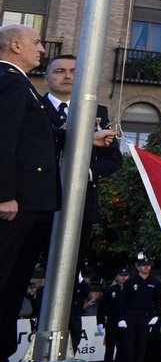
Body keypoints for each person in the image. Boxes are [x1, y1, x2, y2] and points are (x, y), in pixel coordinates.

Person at [0, 23, 58, 362]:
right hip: (16, 203)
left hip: (29, 202)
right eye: (35, 42)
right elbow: (3, 138)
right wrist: (4, 194)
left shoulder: (19, 82)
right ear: (16, 45)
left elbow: (30, 135)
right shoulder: (8, 79)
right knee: (5, 280)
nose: (41, 48)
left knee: (14, 280)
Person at [41, 54, 125, 256]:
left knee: (73, 265)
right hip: (39, 200)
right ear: (46, 78)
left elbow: (113, 158)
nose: (67, 76)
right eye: (60, 71)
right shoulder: (34, 109)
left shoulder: (98, 112)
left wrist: (85, 173)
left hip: (82, 203)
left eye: (74, 72)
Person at [100, 268, 129, 362]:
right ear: (117, 277)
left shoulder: (130, 290)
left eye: (125, 275)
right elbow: (102, 307)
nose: (123, 278)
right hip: (112, 322)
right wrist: (100, 321)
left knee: (122, 347)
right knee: (110, 347)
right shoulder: (110, 290)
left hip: (126, 323)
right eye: (121, 275)